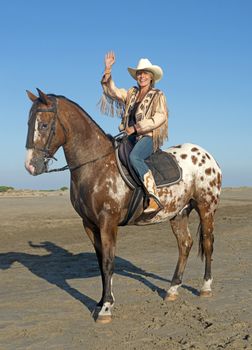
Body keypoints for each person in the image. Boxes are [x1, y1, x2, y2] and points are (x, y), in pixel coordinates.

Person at [100, 51, 168, 213]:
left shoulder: (158, 95)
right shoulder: (132, 93)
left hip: (148, 136)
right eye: (139, 74)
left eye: (145, 73)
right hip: (128, 137)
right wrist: (108, 69)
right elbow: (113, 92)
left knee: (134, 157)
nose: (141, 76)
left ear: (151, 77)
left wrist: (137, 128)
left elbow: (160, 117)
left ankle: (153, 196)